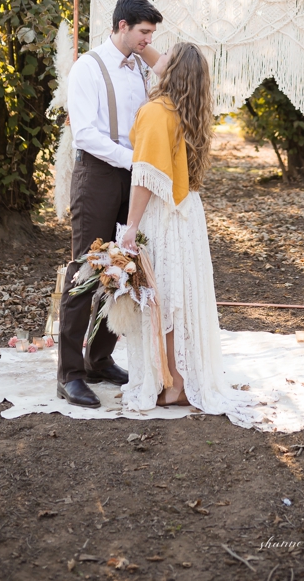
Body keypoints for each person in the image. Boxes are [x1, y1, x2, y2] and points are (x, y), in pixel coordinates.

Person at [117, 43, 246, 419]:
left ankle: (174, 384)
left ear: (173, 72)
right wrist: (146, 51)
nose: (159, 57)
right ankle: (180, 377)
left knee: (166, 299)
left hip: (164, 214)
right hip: (187, 211)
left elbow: (145, 178)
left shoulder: (157, 111)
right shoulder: (186, 110)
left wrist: (132, 226)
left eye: (166, 56)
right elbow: (161, 60)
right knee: (179, 299)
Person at [57, 0, 164, 408]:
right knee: (86, 271)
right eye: (143, 32)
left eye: (152, 34)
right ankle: (70, 374)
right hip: (99, 175)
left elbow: (171, 65)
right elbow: (85, 133)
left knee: (125, 267)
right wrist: (134, 162)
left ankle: (100, 359)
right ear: (121, 26)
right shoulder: (87, 67)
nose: (148, 40)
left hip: (133, 179)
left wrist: (146, 48)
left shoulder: (140, 64)